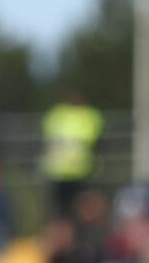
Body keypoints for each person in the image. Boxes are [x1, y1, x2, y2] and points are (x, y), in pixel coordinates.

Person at [39, 91, 103, 219]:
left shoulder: (56, 115)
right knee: (68, 211)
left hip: (71, 170)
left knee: (68, 210)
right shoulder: (88, 116)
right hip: (71, 170)